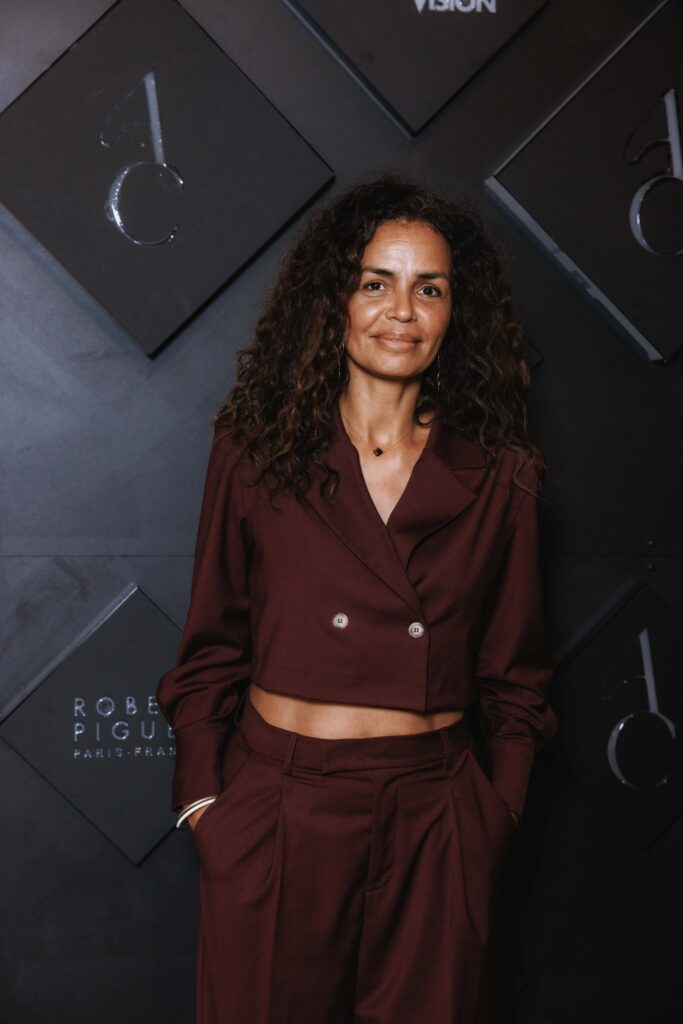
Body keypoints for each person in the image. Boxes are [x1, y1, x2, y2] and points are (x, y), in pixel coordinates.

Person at [156, 172, 557, 1023]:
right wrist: (204, 803)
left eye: (429, 289)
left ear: (456, 314)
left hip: (435, 813)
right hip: (281, 805)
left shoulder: (503, 473)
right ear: (333, 300)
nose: (400, 312)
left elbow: (515, 676)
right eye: (375, 283)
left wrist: (493, 815)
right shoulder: (255, 451)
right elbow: (210, 648)